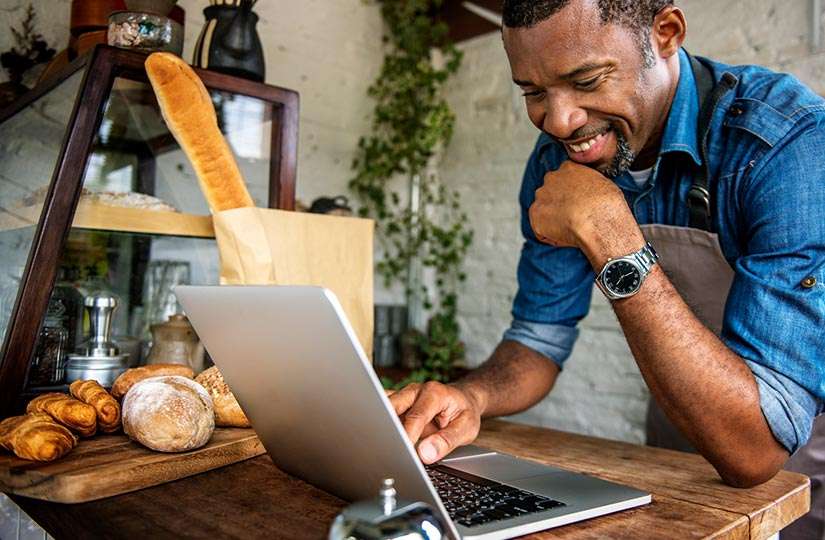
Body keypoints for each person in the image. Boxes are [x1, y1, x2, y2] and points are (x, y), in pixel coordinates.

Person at [388, 0, 825, 537]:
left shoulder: (785, 143)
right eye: (533, 92)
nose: (559, 121)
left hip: (798, 447)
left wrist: (609, 233)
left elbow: (754, 451)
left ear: (666, 33)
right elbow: (538, 339)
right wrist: (471, 397)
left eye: (587, 81)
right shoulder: (556, 160)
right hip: (682, 432)